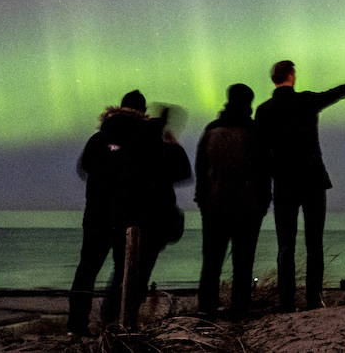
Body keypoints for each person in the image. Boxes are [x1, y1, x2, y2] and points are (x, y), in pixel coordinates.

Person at [255, 60, 345, 311]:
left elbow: (259, 151)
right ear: (292, 76)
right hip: (313, 180)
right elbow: (336, 93)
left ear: (274, 79)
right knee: (314, 244)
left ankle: (287, 302)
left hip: (284, 184)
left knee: (285, 245)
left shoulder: (264, 110)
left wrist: (269, 176)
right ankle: (314, 299)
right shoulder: (305, 101)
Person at [68, 89, 191, 334]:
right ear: (143, 113)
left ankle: (76, 325)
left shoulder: (98, 139)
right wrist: (171, 143)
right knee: (126, 273)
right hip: (129, 217)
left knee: (87, 269)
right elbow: (180, 172)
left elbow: (85, 168)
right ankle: (117, 322)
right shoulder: (148, 141)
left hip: (97, 215)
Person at [195, 83, 271, 319]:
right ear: (249, 102)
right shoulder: (255, 132)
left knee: (211, 261)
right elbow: (264, 171)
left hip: (215, 207)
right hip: (247, 208)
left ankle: (206, 307)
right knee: (243, 261)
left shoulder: (211, 130)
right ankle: (240, 308)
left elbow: (201, 169)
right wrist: (263, 202)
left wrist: (203, 200)